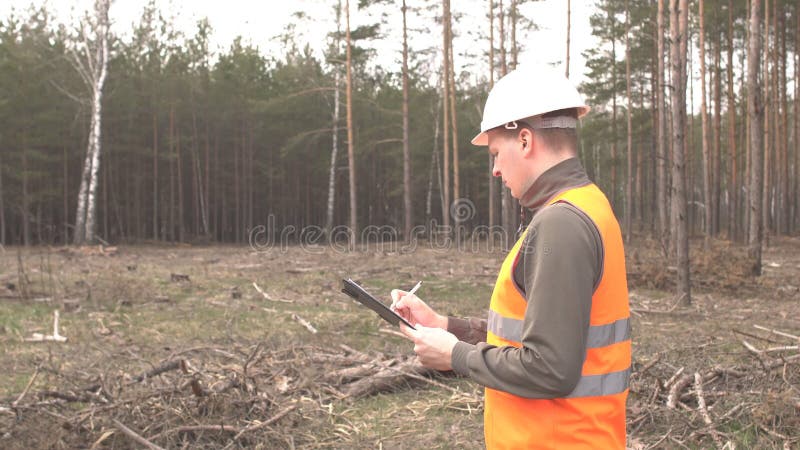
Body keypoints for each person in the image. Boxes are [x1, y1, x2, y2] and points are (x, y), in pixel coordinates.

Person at [391, 66, 631, 449]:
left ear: (524, 140)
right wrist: (446, 326)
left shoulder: (561, 224)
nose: (496, 169)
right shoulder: (587, 205)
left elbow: (551, 369)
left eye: (496, 153)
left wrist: (457, 356)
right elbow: (538, 334)